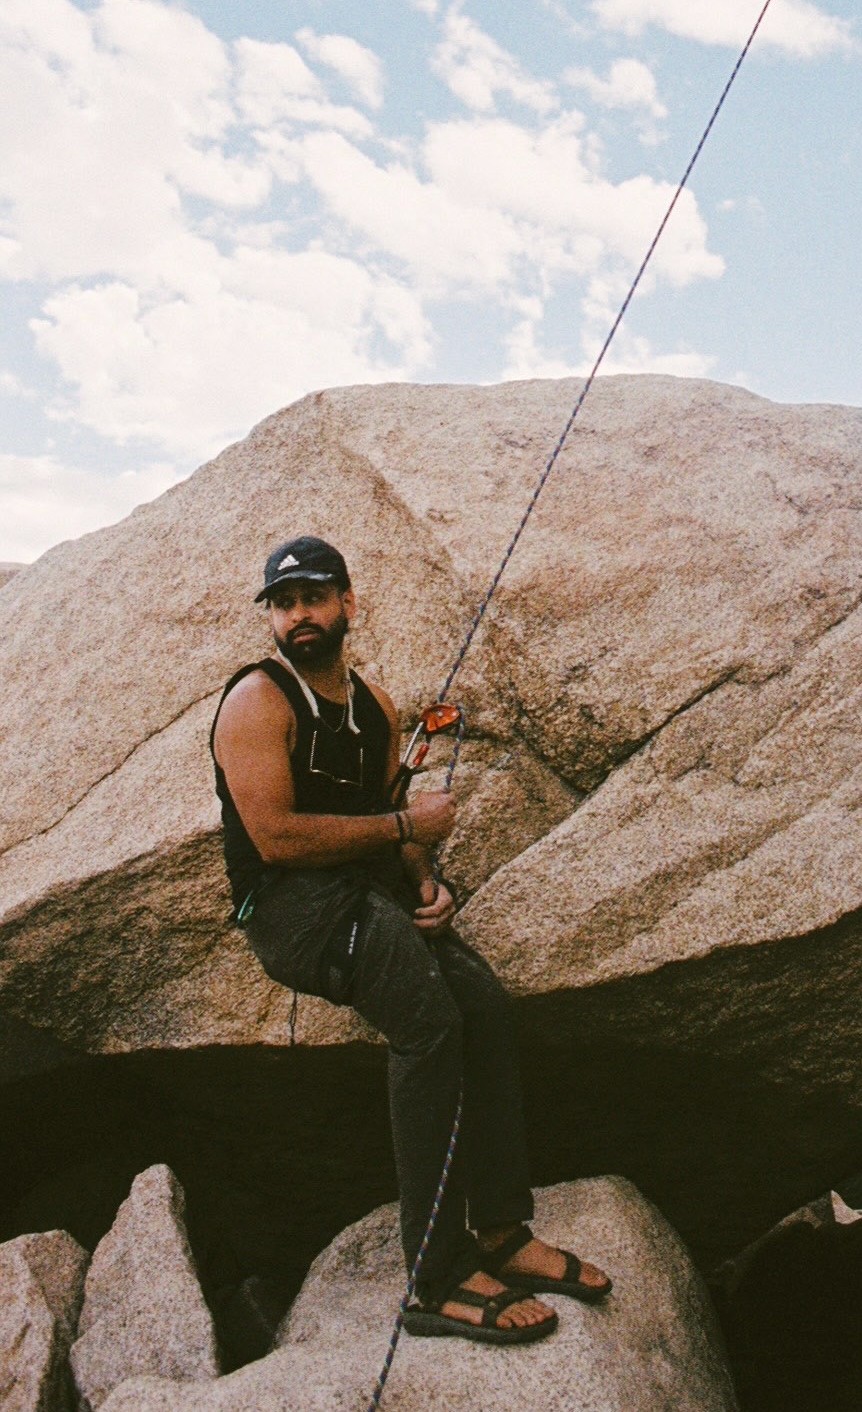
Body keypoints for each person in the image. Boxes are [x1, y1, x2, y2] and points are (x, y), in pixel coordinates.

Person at [211, 534, 611, 1347]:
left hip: (365, 892)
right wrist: (405, 826)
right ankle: (435, 1275)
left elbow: (390, 823)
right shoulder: (258, 700)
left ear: (347, 604)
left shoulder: (373, 707)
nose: (298, 615)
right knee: (428, 1026)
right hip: (291, 909)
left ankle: (500, 1228)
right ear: (272, 618)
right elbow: (276, 838)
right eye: (283, 604)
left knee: (482, 1006)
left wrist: (428, 882)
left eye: (313, 597)